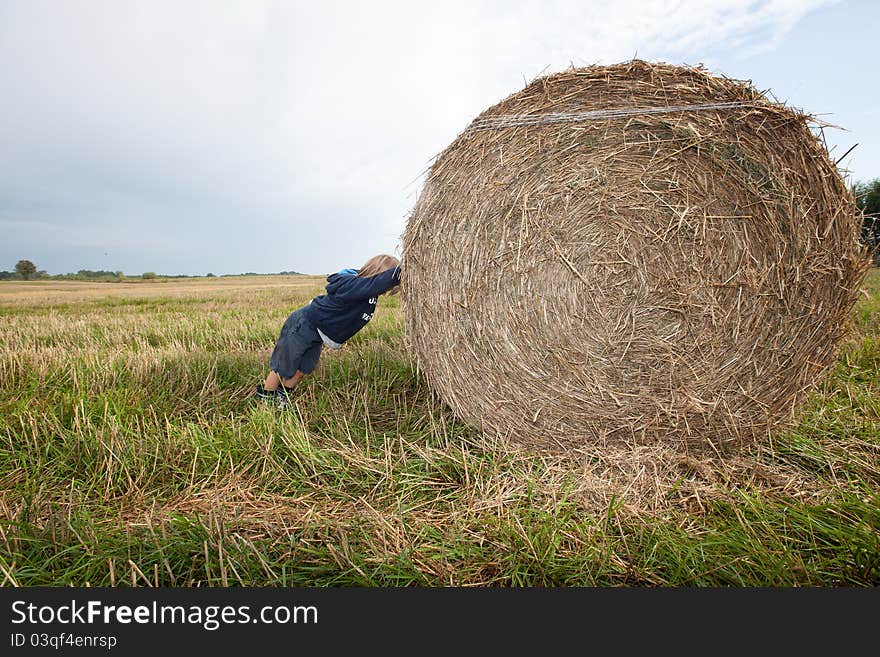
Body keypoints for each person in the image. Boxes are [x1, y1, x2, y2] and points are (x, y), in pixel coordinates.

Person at [255, 254, 401, 407]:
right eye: (387, 287)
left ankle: (282, 397)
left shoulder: (367, 292)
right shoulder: (352, 285)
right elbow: (372, 285)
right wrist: (403, 269)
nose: (386, 291)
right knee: (283, 366)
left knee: (302, 370)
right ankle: (265, 401)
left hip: (318, 333)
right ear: (378, 275)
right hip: (303, 324)